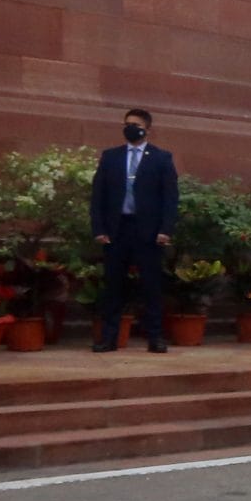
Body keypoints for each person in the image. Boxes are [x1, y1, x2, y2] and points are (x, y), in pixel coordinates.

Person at [89, 108, 177, 353]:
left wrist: (166, 229)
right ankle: (109, 338)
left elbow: (170, 198)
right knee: (114, 287)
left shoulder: (161, 158)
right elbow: (98, 196)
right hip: (117, 230)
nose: (130, 128)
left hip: (148, 231)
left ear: (147, 129)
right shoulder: (111, 157)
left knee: (151, 286)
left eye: (135, 125)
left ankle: (155, 338)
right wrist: (99, 228)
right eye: (127, 124)